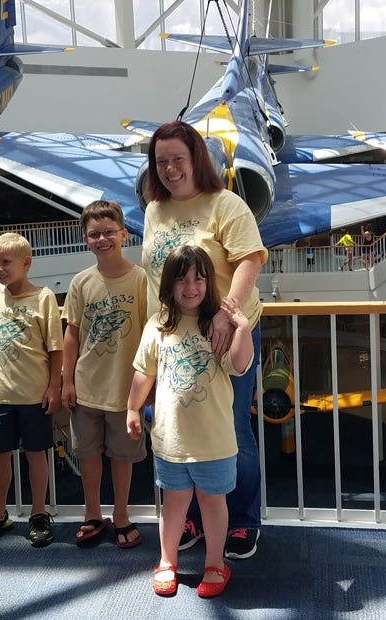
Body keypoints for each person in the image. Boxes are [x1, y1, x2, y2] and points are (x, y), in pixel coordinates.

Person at [140, 120, 267, 561]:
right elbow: (156, 275)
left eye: (178, 158)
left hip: (223, 335)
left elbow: (250, 258)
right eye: (162, 161)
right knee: (179, 431)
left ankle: (243, 520)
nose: (171, 168)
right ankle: (193, 518)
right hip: (175, 339)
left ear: (196, 157)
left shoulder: (225, 204)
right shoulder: (154, 210)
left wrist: (225, 315)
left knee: (230, 431)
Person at [127, 245, 254, 599]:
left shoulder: (219, 324)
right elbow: (143, 373)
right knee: (174, 505)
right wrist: (132, 408)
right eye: (181, 279)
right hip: (170, 441)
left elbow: (240, 365)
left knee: (213, 504)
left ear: (209, 283)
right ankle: (167, 561)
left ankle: (215, 563)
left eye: (199, 278)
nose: (191, 287)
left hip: (214, 441)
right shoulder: (158, 325)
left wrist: (241, 327)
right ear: (169, 284)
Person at [0, 232, 64, 548]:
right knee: (0, 455)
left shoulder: (44, 297)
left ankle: (38, 512)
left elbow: (55, 347)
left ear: (26, 263)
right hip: (0, 395)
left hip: (33, 394)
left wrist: (54, 386)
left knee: (36, 454)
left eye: (6, 262)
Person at [61, 200, 148, 549]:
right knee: (88, 454)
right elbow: (72, 332)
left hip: (125, 389)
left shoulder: (140, 280)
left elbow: (149, 332)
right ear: (85, 239)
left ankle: (122, 514)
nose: (102, 239)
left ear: (124, 234)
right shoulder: (82, 282)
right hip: (87, 385)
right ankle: (93, 512)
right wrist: (67, 380)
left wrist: (147, 385)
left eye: (109, 232)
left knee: (122, 457)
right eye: (94, 234)